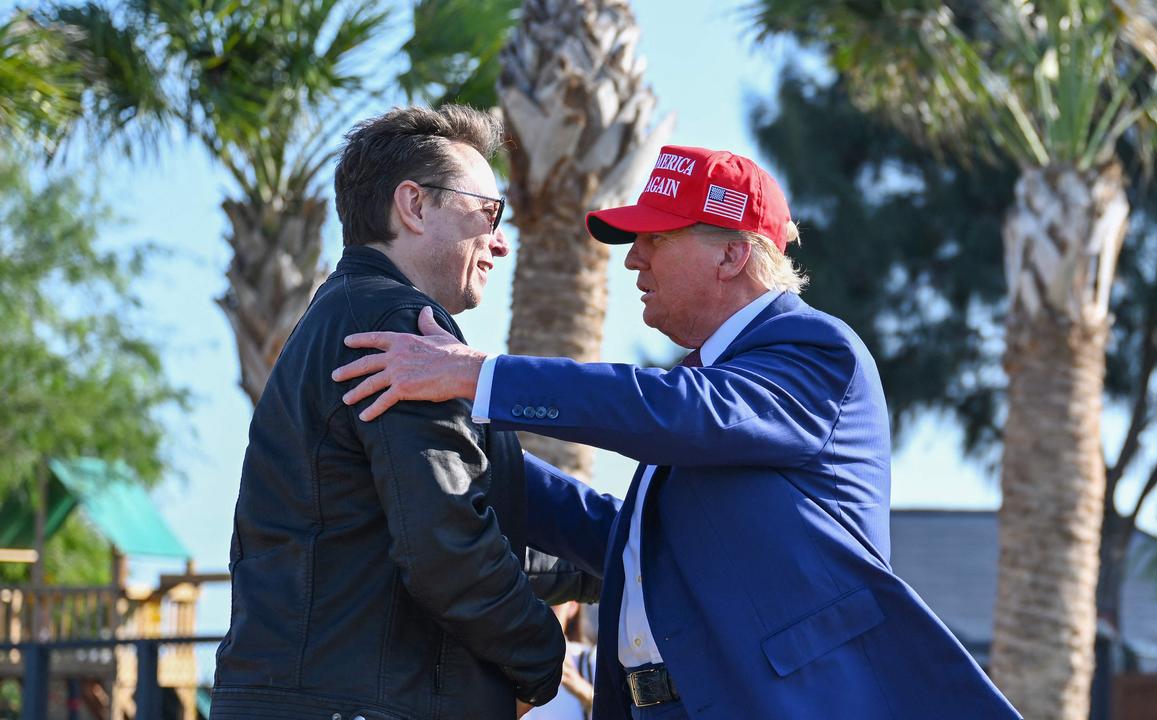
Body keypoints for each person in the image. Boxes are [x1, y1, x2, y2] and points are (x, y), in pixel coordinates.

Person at [332, 145, 1021, 719]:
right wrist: (466, 444)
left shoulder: (816, 351)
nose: (634, 260)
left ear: (731, 255)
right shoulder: (709, 389)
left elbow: (681, 411)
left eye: (655, 238)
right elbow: (629, 541)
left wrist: (481, 378)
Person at [212, 105, 584, 720]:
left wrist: (616, 562)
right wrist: (546, 658)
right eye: (488, 213)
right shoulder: (398, 329)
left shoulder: (344, 314)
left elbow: (423, 526)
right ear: (412, 206)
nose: (501, 241)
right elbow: (446, 544)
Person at [527, 600, 597, 720]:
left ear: (573, 606)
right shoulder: (506, 667)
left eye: (553, 600)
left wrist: (587, 695)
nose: (543, 609)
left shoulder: (594, 661)